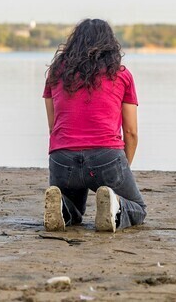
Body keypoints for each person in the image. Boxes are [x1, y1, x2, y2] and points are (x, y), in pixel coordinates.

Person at [42, 18, 146, 232]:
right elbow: (131, 132)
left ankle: (63, 208)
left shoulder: (56, 72)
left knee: (74, 211)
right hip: (106, 157)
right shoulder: (122, 74)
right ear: (111, 45)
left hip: (63, 158)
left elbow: (53, 127)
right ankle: (115, 206)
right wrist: (123, 166)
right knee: (138, 208)